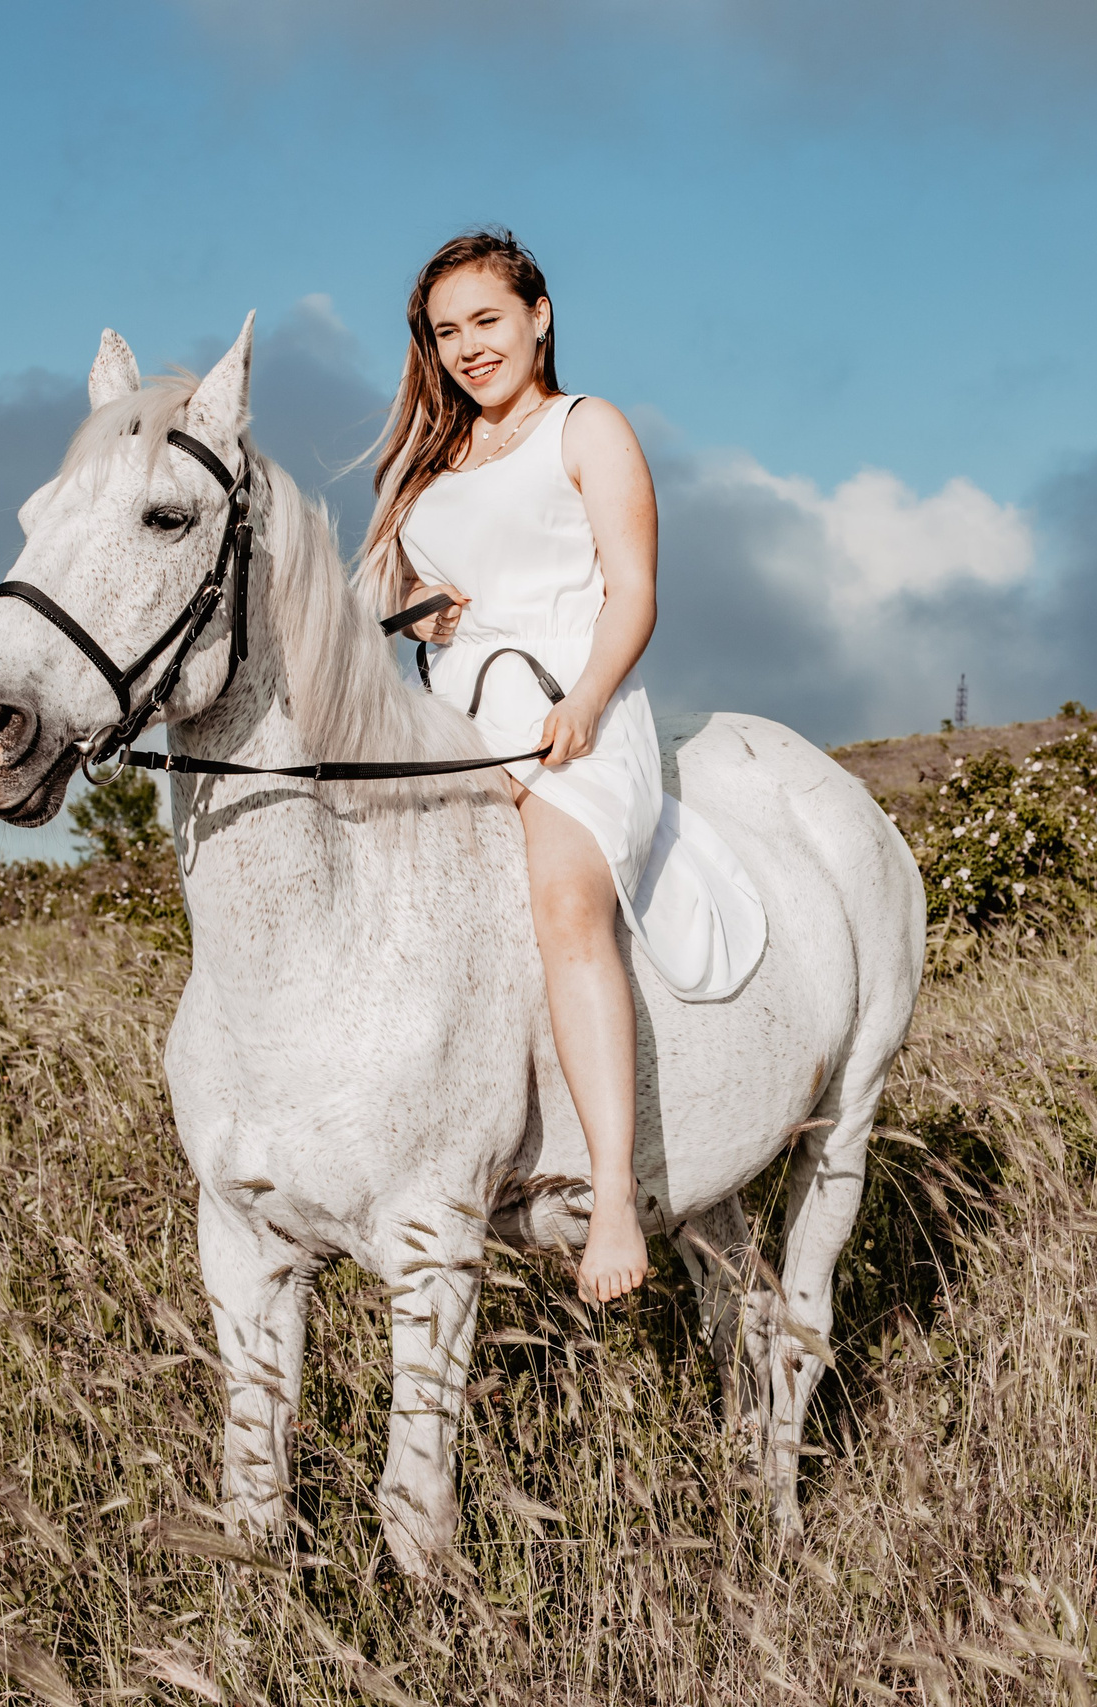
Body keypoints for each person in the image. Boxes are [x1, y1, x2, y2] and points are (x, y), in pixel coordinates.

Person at [359, 229, 766, 1305]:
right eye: (445, 333)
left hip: (574, 719)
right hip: (458, 723)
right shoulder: (428, 468)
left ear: (538, 315)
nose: (466, 348)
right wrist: (418, 611)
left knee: (562, 905)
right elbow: (375, 602)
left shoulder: (587, 428)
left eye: (485, 321)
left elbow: (633, 591)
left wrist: (584, 703)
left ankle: (615, 1196)